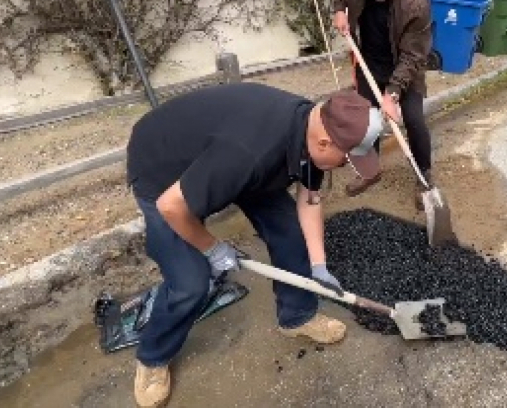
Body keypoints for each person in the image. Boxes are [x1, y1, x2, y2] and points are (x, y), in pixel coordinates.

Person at [125, 82, 384, 407]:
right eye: (346, 161)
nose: (346, 168)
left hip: (228, 160)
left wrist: (318, 265)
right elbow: (172, 206)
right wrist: (212, 249)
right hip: (163, 171)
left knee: (292, 233)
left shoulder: (312, 131)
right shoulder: (250, 152)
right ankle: (152, 357)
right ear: (324, 142)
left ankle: (297, 316)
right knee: (190, 282)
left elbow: (310, 199)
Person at [331, 0, 436, 209]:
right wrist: (339, 9)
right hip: (369, 58)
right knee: (366, 118)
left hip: (404, 63)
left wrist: (393, 92)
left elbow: (414, 55)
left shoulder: (415, 1)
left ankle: (424, 177)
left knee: (413, 120)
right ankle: (370, 170)